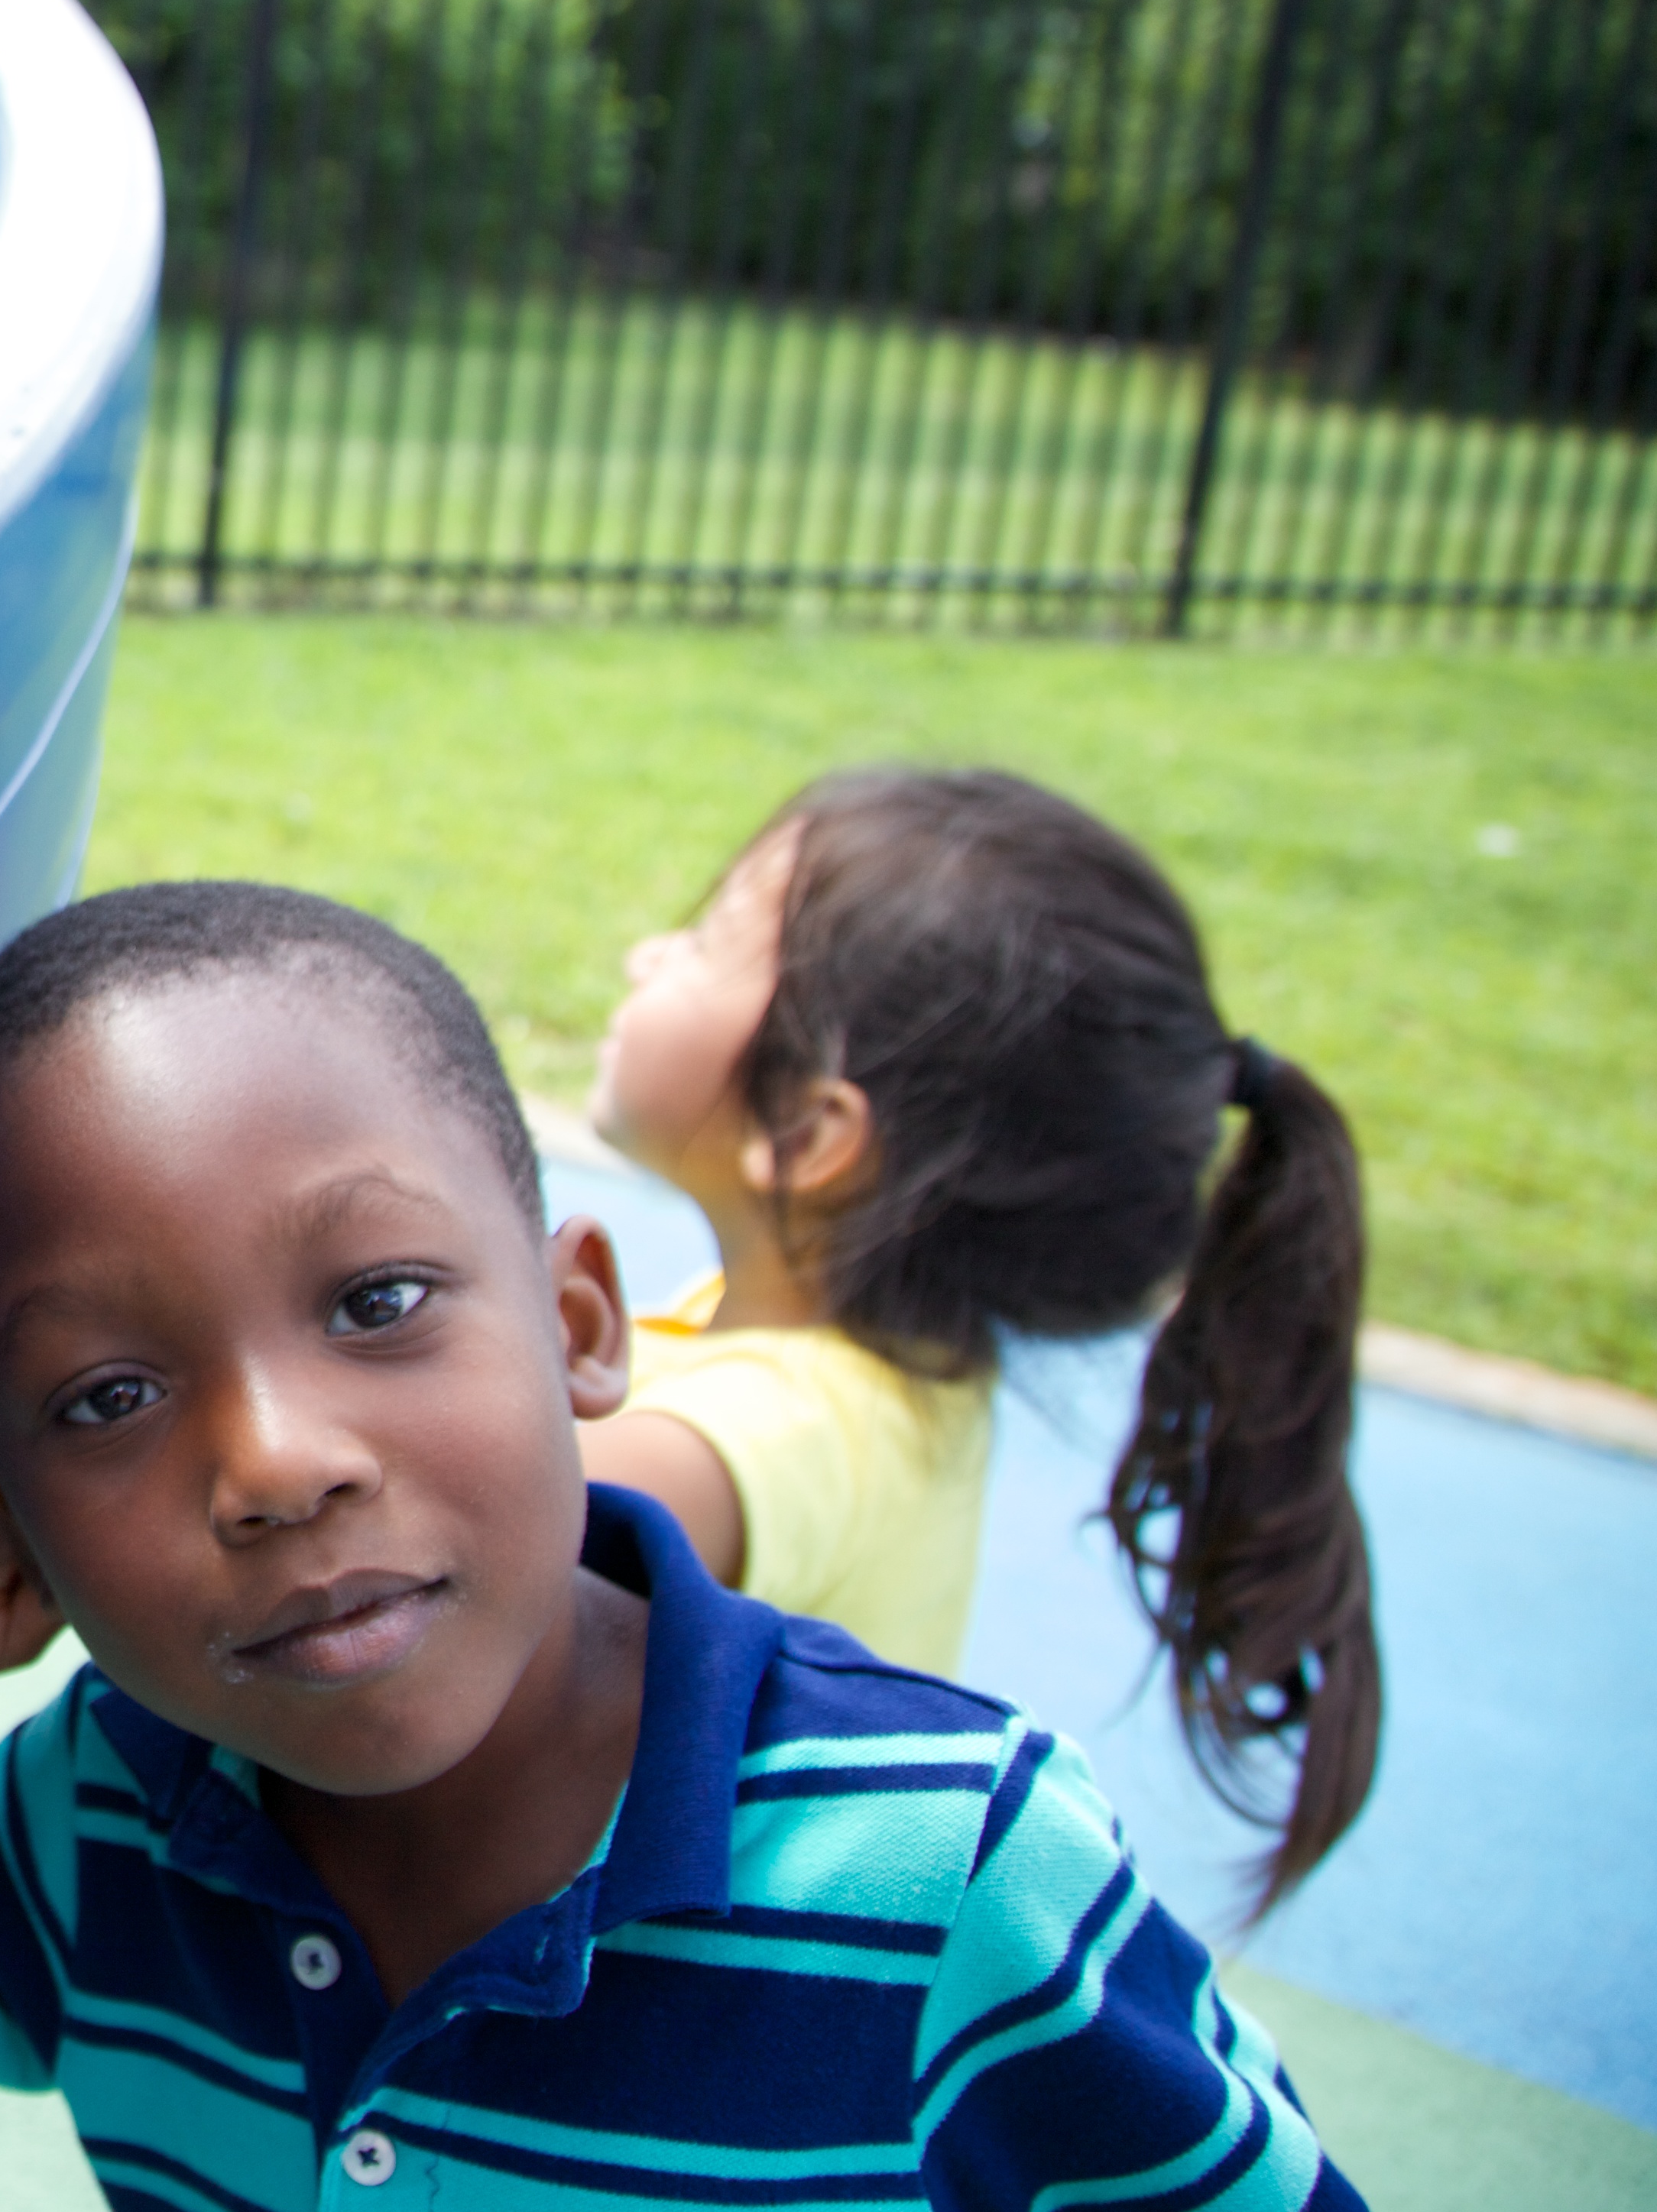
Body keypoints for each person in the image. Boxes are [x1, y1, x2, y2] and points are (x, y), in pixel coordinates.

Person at [0, 883, 1371, 2212]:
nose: (280, 1462)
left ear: (581, 1325)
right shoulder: (104, 1814)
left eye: (376, 1302)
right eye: (106, 1399)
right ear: (12, 1488)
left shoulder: (950, 1876)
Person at [579, 767, 1377, 1900]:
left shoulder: (777, 1429)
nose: (646, 957)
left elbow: (453, 1532)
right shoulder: (891, 1367)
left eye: (707, 943)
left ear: (811, 1132)